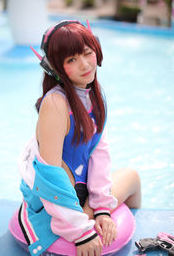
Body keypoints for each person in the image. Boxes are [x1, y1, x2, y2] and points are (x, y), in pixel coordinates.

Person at [18, 20, 141, 256]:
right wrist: (80, 232)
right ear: (56, 68)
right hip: (54, 197)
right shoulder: (56, 104)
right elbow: (50, 174)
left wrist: (102, 208)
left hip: (81, 186)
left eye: (87, 53)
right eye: (71, 60)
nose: (84, 64)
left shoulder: (93, 94)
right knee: (63, 172)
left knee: (132, 178)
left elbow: (98, 151)